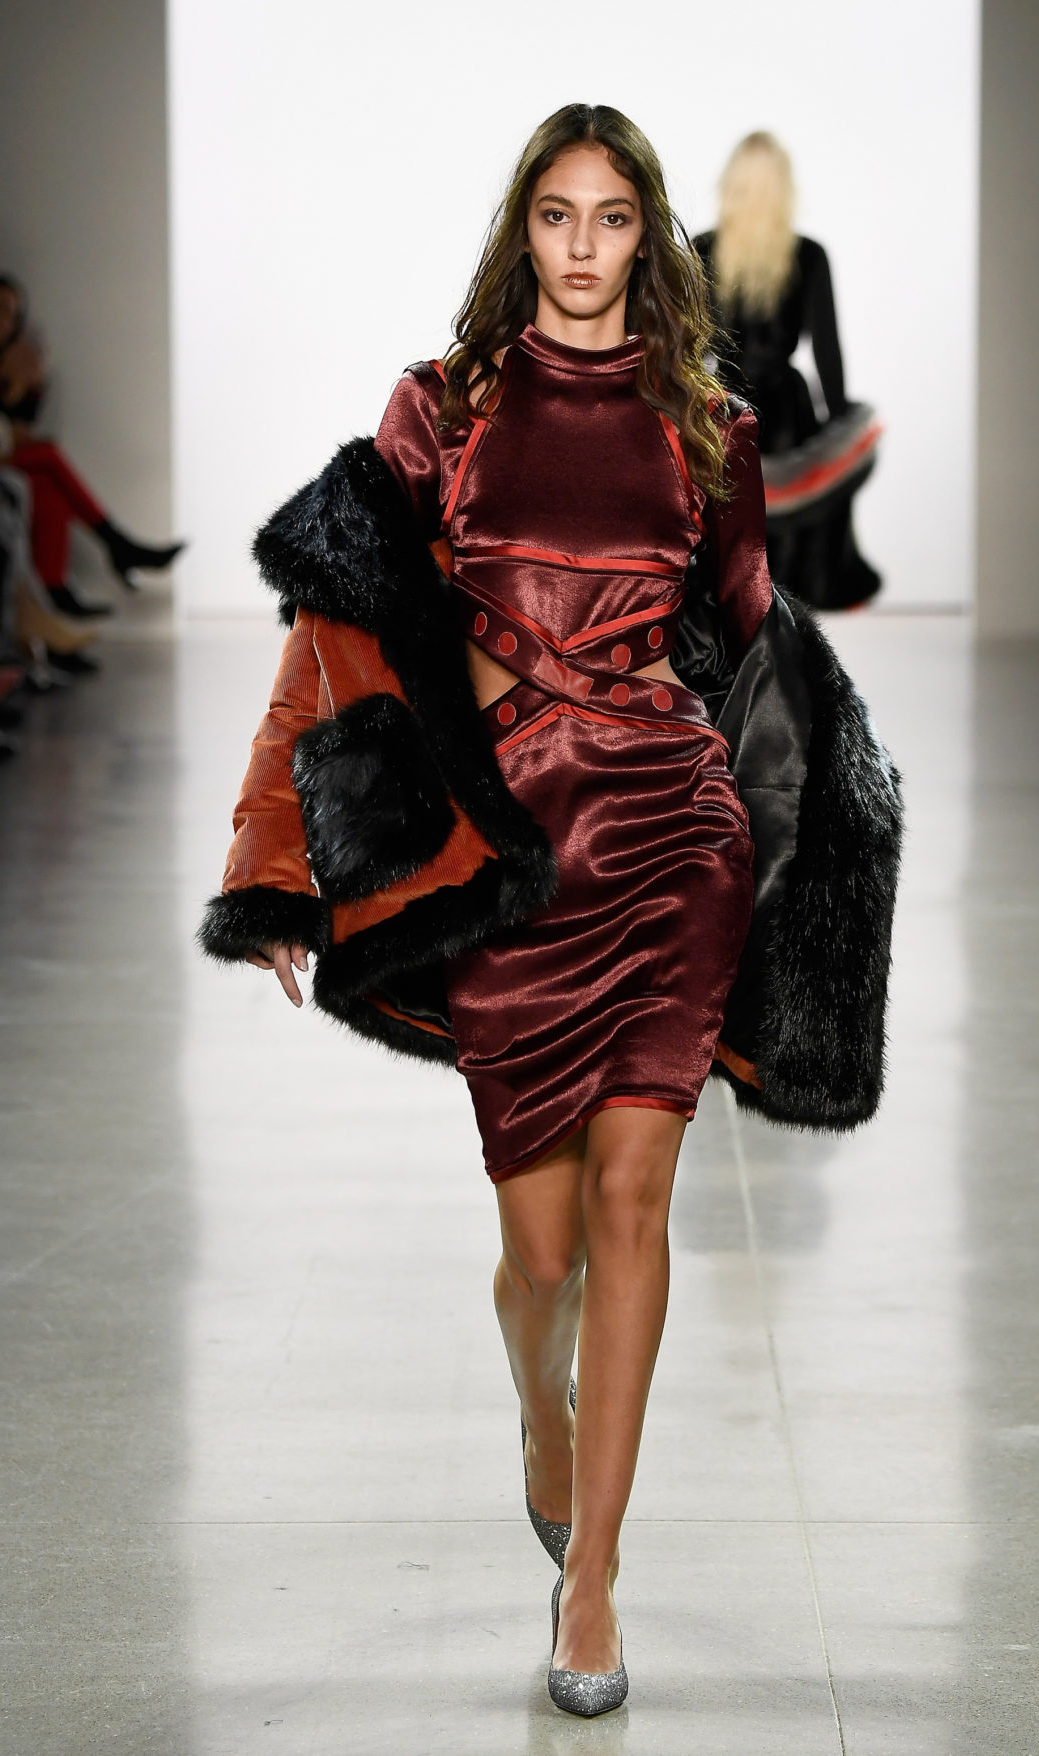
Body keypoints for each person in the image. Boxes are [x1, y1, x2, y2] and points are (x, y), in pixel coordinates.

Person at [199, 104, 901, 1717]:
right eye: (557, 216)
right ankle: (543, 1409)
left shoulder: (704, 423)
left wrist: (822, 839)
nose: (584, 247)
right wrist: (272, 861)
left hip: (670, 833)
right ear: (523, 229)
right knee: (538, 1252)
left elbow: (750, 644)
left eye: (613, 217)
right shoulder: (441, 407)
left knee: (635, 1202)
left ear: (649, 234)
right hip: (509, 850)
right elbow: (330, 628)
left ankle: (592, 1582)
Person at [694, 133, 882, 611]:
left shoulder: (702, 249)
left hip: (725, 406)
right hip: (787, 411)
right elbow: (827, 351)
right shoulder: (809, 254)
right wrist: (838, 425)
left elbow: (686, 347)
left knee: (729, 536)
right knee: (791, 541)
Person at [0, 274, 184, 617]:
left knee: (47, 486)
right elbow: (8, 434)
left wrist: (22, 386)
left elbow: (18, 427)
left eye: (13, 315)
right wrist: (6, 429)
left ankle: (56, 594)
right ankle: (117, 546)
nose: (5, 321)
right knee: (47, 454)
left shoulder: (3, 362)